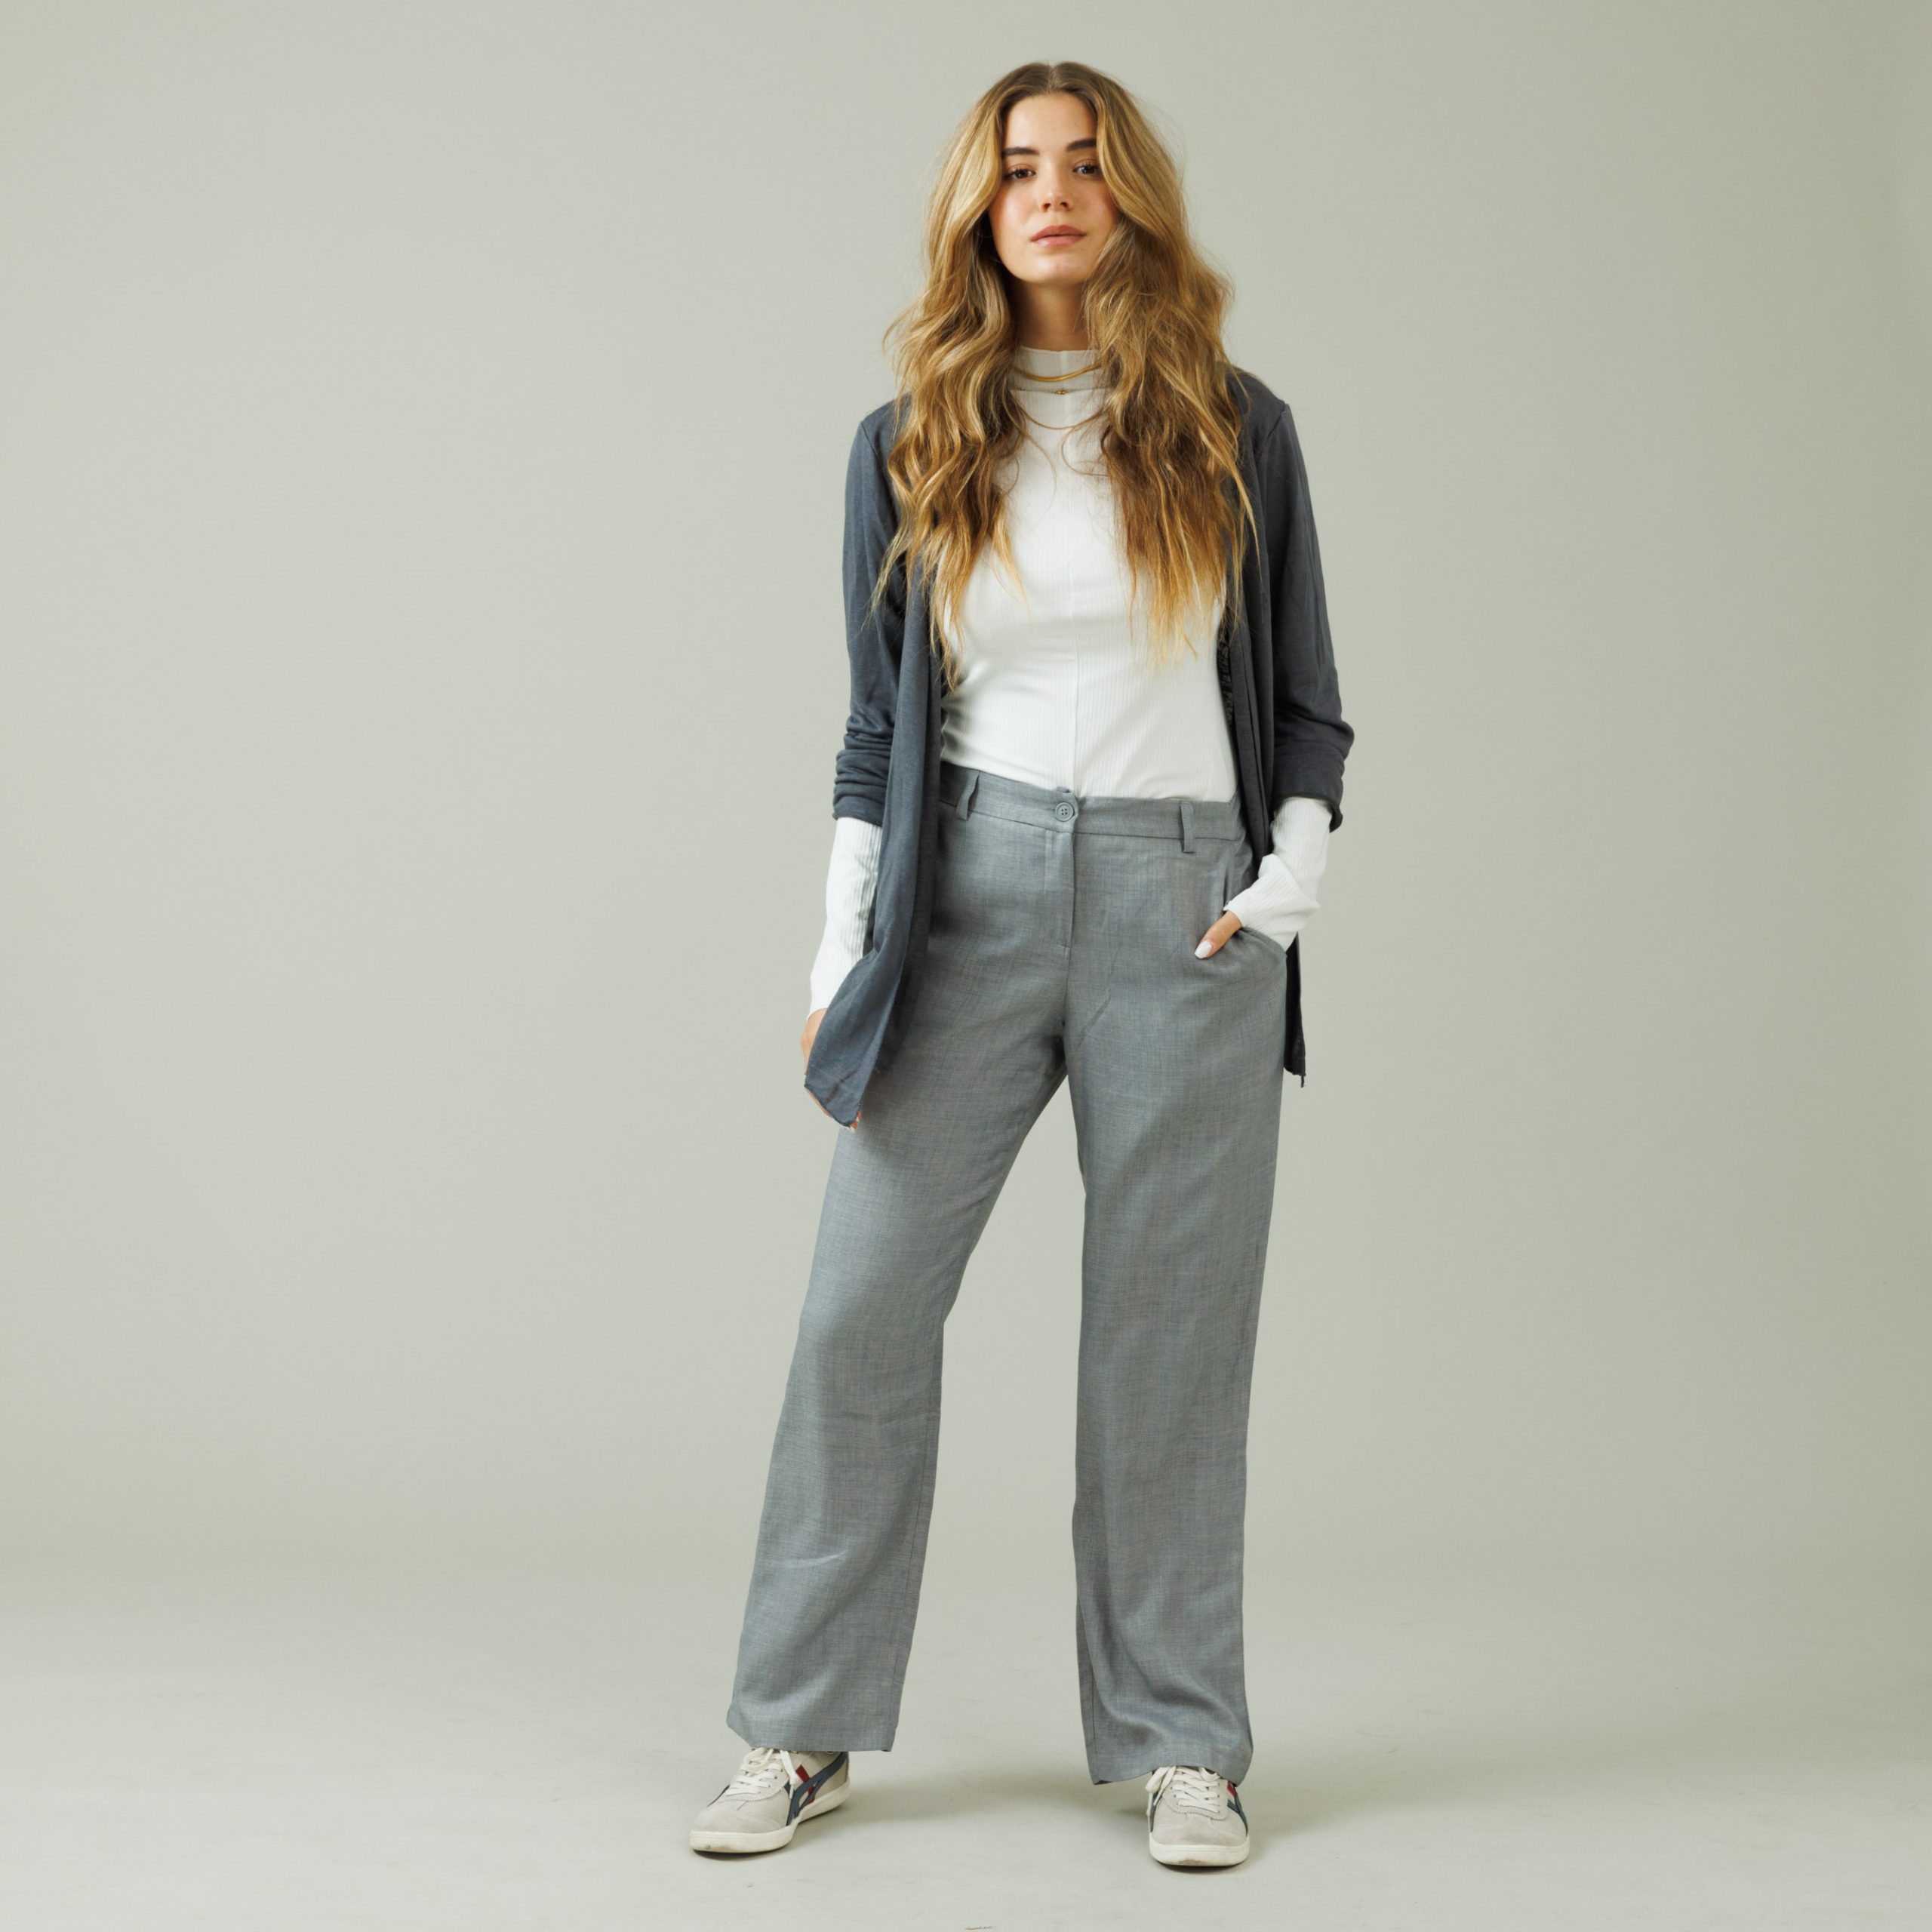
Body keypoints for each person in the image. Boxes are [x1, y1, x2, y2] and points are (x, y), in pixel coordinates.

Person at [689, 60, 1354, 1872]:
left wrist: (1280, 885)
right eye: (1014, 169)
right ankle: (797, 1725)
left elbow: (1304, 700)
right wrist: (839, 946)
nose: (1048, 193)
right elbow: (872, 728)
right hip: (960, 899)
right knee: (859, 1309)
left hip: (1182, 904)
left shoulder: (1235, 428)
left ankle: (1183, 1740)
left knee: (1167, 1342)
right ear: (976, 209)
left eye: (1080, 163)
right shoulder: (909, 438)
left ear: (1128, 193)